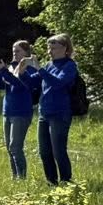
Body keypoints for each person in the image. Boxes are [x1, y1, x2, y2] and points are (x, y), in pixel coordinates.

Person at [35, 33, 80, 185]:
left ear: (65, 48)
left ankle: (66, 181)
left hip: (60, 114)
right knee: (44, 151)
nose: (50, 51)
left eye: (53, 48)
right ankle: (51, 182)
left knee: (58, 151)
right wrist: (17, 72)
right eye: (49, 48)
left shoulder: (70, 66)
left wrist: (39, 69)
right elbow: (33, 82)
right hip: (44, 113)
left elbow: (58, 83)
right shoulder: (49, 65)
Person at [0, 39, 37, 180]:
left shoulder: (29, 68)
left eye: (18, 51)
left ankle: (21, 178)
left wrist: (3, 71)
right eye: (13, 51)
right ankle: (15, 176)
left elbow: (19, 84)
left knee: (15, 147)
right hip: (8, 111)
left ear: (26, 52)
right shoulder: (10, 67)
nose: (14, 53)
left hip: (21, 112)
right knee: (9, 148)